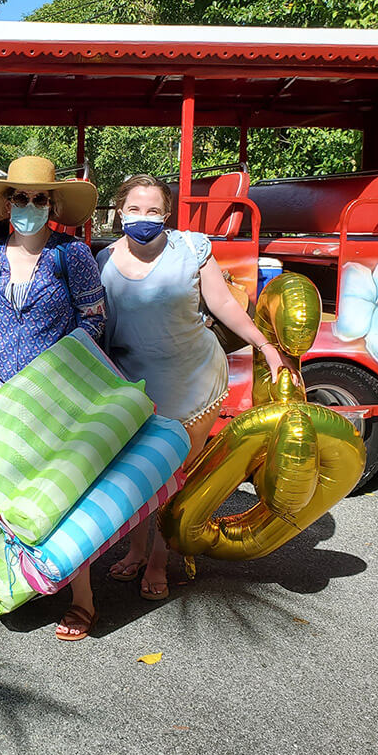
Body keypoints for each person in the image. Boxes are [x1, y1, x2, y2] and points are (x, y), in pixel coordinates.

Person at [98, 174, 289, 600]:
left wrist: (266, 346)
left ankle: (159, 559)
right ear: (119, 212)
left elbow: (222, 306)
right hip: (135, 386)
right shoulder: (103, 260)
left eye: (153, 210)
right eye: (134, 209)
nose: (143, 218)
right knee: (137, 474)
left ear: (167, 215)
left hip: (194, 381)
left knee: (175, 475)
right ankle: (136, 547)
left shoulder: (191, 249)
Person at [0, 156, 105, 641]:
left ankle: (82, 598)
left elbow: (94, 320)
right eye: (20, 197)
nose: (28, 206)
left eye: (38, 198)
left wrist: (59, 370)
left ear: (53, 203)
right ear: (7, 203)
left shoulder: (73, 254)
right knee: (9, 493)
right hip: (3, 393)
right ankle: (20, 582)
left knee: (67, 496)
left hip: (58, 395)